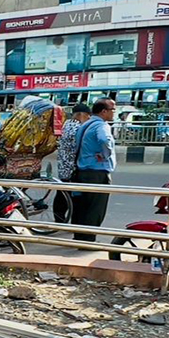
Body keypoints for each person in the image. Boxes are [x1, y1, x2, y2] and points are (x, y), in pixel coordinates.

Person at [70, 98, 116, 243]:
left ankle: (80, 237)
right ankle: (88, 240)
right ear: (104, 111)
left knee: (82, 207)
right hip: (97, 172)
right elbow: (104, 140)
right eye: (112, 110)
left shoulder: (85, 125)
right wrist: (105, 155)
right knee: (95, 208)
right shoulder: (101, 126)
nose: (114, 113)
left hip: (82, 171)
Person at [52, 103, 91, 224]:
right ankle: (69, 221)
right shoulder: (78, 128)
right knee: (72, 196)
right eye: (88, 116)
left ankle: (59, 219)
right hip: (72, 167)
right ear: (81, 115)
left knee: (62, 194)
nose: (89, 119)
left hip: (64, 165)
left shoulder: (66, 124)